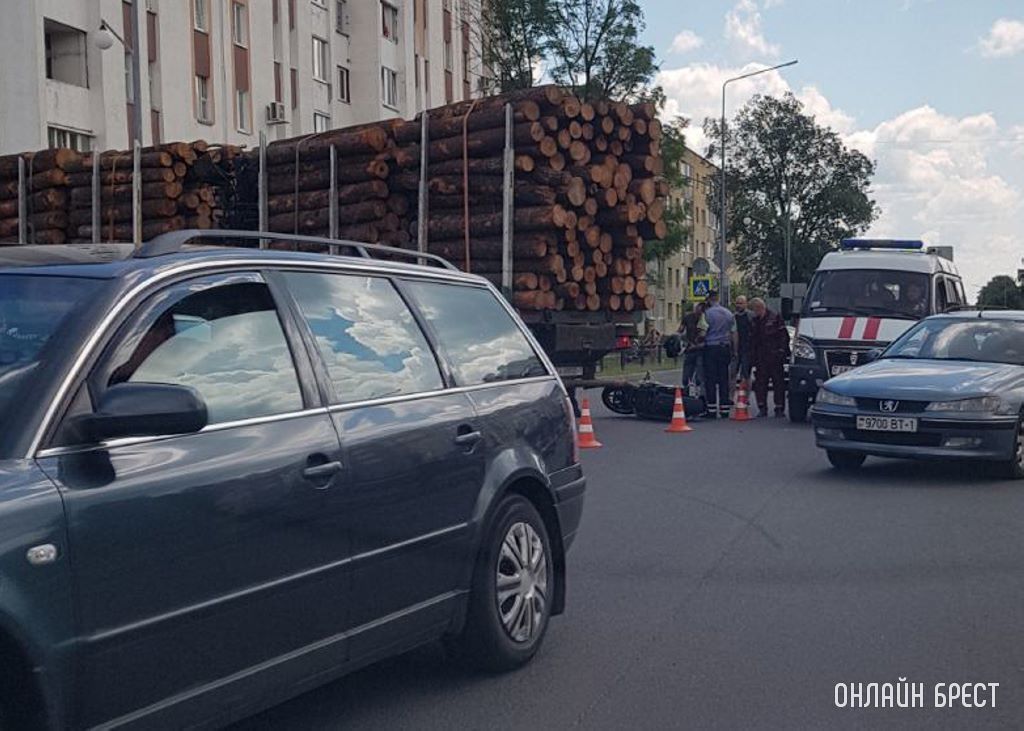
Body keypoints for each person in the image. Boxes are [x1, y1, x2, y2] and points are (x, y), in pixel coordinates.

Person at [749, 297, 790, 417]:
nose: (753, 312)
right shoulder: (755, 320)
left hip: (774, 355)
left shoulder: (775, 317)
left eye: (754, 309)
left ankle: (779, 408)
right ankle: (762, 407)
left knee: (778, 383)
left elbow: (783, 336)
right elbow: (752, 339)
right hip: (761, 357)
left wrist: (781, 351)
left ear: (759, 308)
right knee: (760, 383)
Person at [701, 290, 736, 418]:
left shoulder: (707, 314)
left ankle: (711, 409)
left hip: (711, 348)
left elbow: (703, 332)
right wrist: (734, 350)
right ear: (718, 298)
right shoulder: (729, 314)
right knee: (723, 378)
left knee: (710, 379)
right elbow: (733, 333)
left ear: (709, 299)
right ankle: (724, 409)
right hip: (725, 347)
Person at [679, 301, 707, 397]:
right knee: (686, 375)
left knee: (700, 375)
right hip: (689, 349)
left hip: (701, 350)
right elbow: (680, 330)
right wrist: (680, 339)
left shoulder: (706, 318)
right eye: (697, 308)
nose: (699, 311)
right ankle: (686, 391)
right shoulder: (688, 318)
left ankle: (700, 394)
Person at [733, 295, 753, 386]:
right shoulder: (733, 317)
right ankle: (731, 394)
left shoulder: (750, 316)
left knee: (746, 374)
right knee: (732, 373)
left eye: (741, 303)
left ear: (746, 304)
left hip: (747, 349)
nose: (738, 305)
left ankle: (746, 394)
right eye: (737, 303)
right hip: (735, 350)